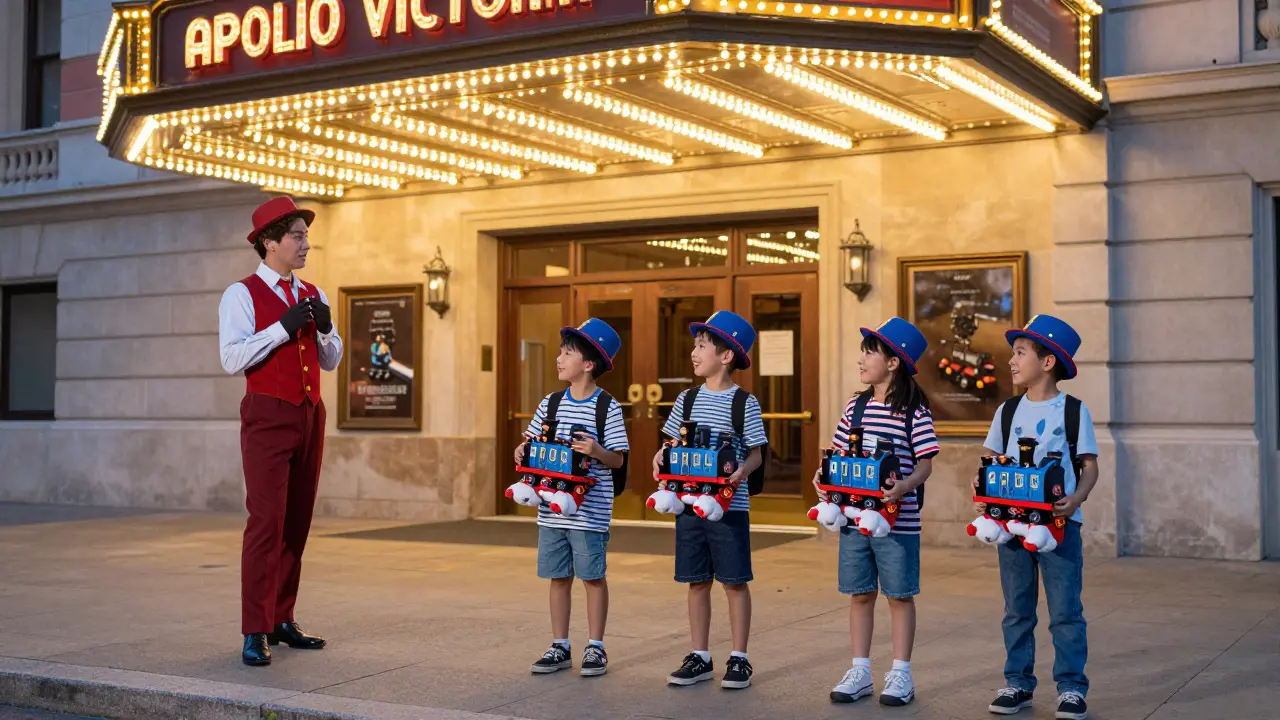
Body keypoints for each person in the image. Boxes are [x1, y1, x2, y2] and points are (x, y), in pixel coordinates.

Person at [218, 196, 342, 666]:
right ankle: (255, 628)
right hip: (268, 413)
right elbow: (231, 359)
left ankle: (281, 618)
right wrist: (281, 330)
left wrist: (327, 330)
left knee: (297, 522)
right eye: (297, 235)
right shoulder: (241, 294)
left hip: (311, 413)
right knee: (265, 523)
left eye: (306, 235)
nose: (306, 243)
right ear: (269, 242)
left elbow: (329, 361)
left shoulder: (315, 292)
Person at [976, 314, 1098, 720]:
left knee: (1065, 610)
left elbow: (1088, 465)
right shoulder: (1008, 410)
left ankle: (1071, 688)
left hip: (1058, 527)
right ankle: (1017, 683)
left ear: (1047, 362)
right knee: (1017, 609)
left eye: (1020, 353)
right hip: (1012, 526)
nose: (1011, 360)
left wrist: (1076, 500)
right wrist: (986, 498)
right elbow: (991, 461)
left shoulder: (1074, 411)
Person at [815, 317, 939, 707]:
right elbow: (836, 453)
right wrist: (825, 476)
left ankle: (901, 673)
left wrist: (902, 487)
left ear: (893, 362)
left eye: (871, 351)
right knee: (860, 594)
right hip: (854, 519)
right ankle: (861, 670)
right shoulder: (856, 405)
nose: (862, 359)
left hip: (897, 523)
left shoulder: (914, 410)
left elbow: (926, 463)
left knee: (899, 596)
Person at [655, 310, 767, 690]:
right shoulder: (685, 400)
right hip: (688, 505)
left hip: (728, 507)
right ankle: (700, 656)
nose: (694, 352)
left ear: (725, 356)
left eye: (702, 345)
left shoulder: (743, 403)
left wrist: (740, 473)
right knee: (696, 580)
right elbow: (671, 443)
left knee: (734, 581)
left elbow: (756, 453)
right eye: (695, 345)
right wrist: (661, 455)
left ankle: (740, 658)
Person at [520, 318, 629, 677]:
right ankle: (560, 645)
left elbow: (617, 459)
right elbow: (530, 446)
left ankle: (596, 647)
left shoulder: (606, 407)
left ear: (588, 364)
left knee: (592, 576)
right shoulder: (549, 404)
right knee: (558, 576)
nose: (559, 358)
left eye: (567, 353)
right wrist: (523, 451)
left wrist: (596, 450)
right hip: (551, 512)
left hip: (589, 513)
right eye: (560, 351)